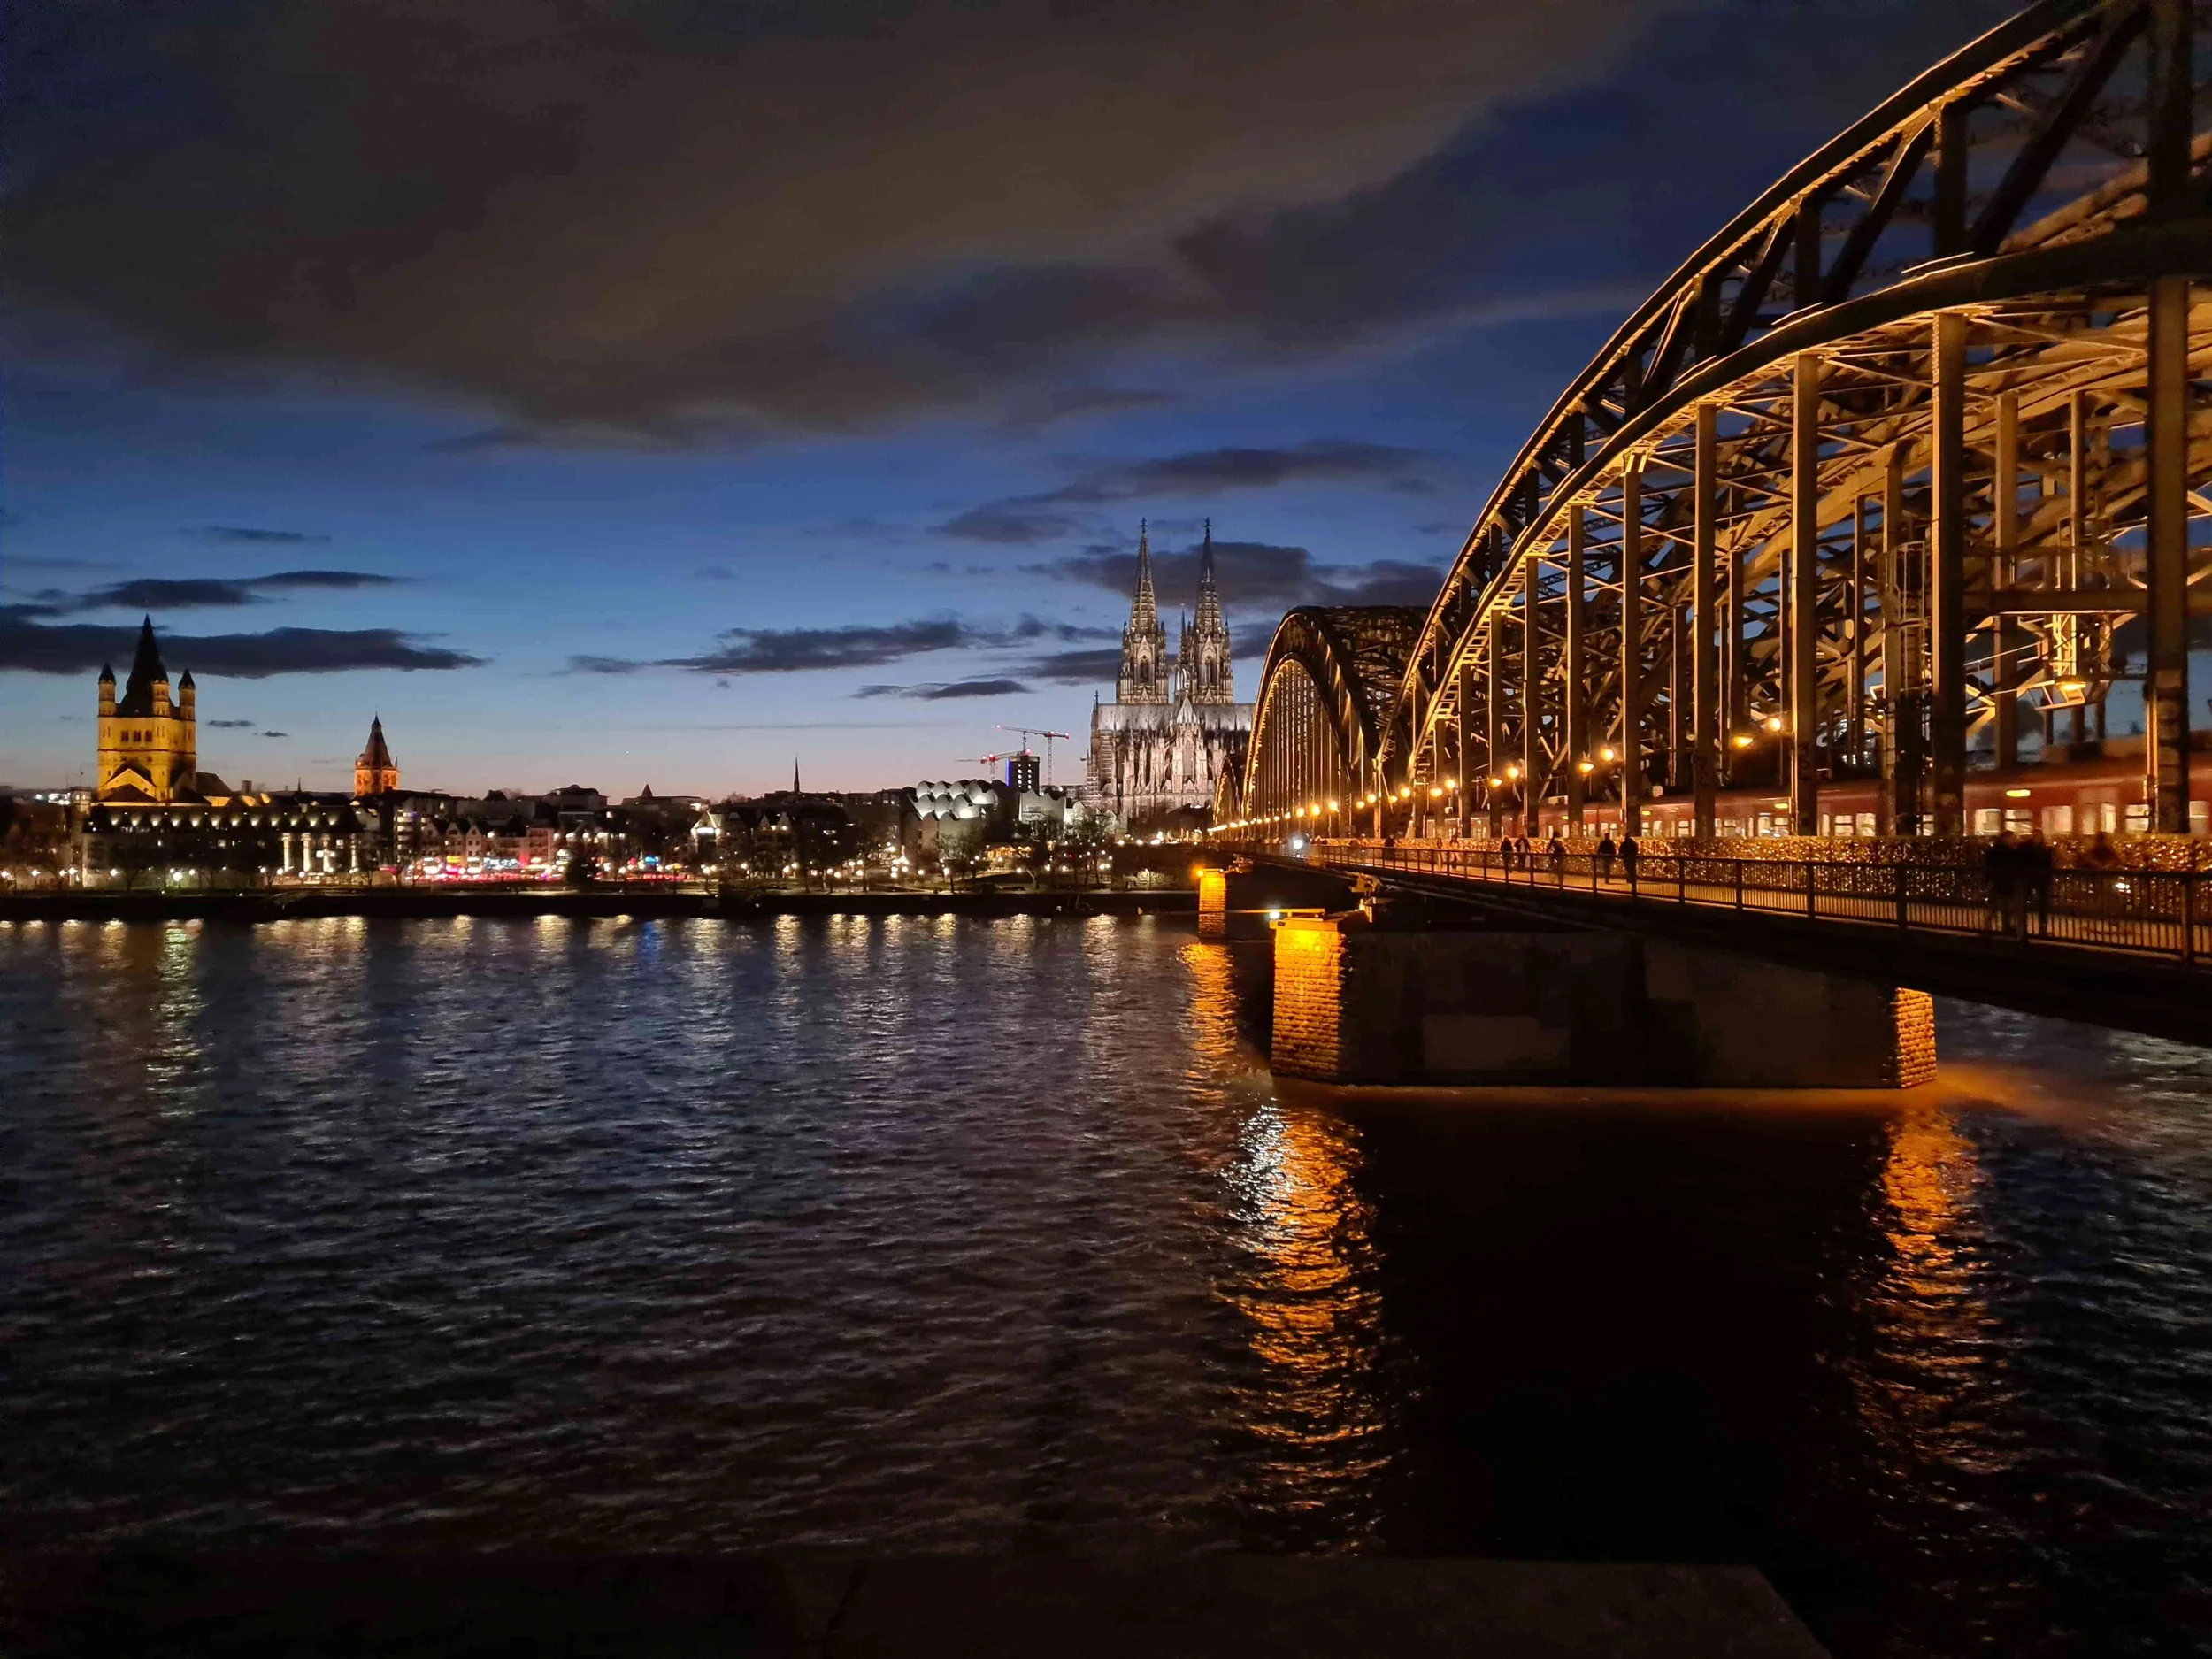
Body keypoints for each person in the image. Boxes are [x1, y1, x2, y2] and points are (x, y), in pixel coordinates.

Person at [1985, 829, 2020, 934]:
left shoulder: (1995, 850)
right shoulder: (2009, 851)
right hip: (2005, 881)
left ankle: (1989, 926)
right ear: (2006, 839)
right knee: (2005, 906)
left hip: (1999, 881)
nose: (2014, 840)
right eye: (2012, 838)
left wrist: (1989, 879)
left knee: (1998, 906)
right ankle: (2006, 927)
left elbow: (1989, 865)